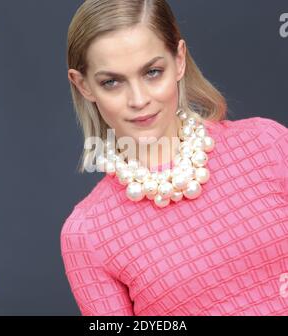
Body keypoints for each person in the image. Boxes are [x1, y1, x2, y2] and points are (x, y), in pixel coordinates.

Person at [60, 0, 288, 316]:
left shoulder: (268, 144)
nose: (139, 100)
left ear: (179, 60)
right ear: (84, 85)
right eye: (112, 82)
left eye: (153, 72)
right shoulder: (88, 233)